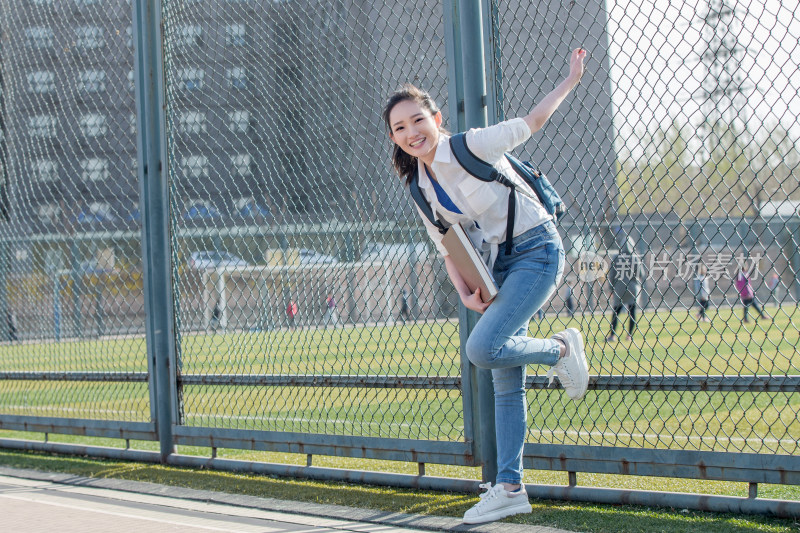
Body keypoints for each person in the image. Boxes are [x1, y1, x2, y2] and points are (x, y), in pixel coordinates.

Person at [383, 48, 589, 525]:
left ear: (436, 118)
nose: (411, 133)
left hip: (538, 250)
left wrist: (571, 79)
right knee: (502, 372)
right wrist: (463, 290)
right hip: (495, 268)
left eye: (418, 121)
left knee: (482, 349)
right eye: (399, 128)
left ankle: (559, 351)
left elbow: (533, 121)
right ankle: (511, 487)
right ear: (393, 137)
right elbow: (444, 241)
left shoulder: (469, 146)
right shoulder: (418, 184)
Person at [606, 235, 643, 342]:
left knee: (616, 312)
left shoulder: (616, 258)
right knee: (632, 311)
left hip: (619, 288)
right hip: (633, 288)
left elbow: (611, 275)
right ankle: (629, 336)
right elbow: (641, 274)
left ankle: (612, 335)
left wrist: (611, 289)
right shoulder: (635, 258)